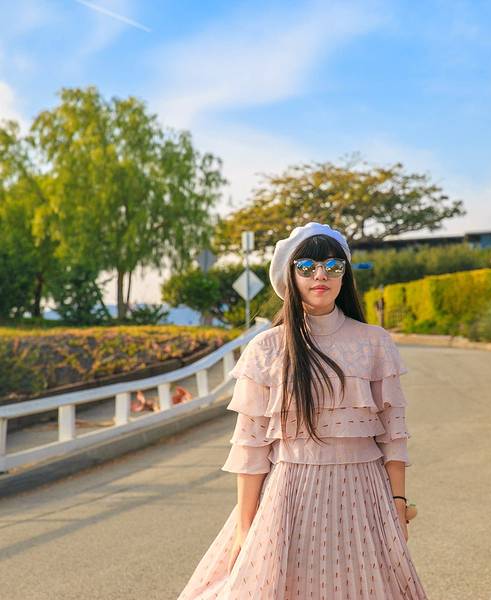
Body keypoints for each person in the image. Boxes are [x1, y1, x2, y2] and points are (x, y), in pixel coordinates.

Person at [177, 222, 429, 599]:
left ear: (345, 274)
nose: (320, 275)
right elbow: (251, 448)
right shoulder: (267, 348)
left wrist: (398, 505)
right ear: (290, 277)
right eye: (307, 267)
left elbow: (393, 434)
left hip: (365, 495)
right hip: (290, 495)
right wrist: (245, 528)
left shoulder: (375, 343)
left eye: (333, 265)